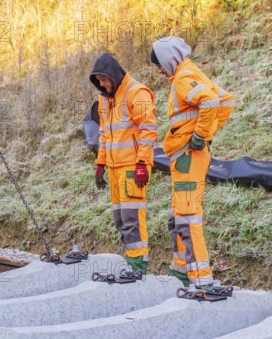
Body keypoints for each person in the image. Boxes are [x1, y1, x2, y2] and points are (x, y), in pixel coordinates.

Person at [151, 36, 236, 288]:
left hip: (188, 158)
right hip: (188, 158)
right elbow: (227, 100)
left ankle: (201, 280)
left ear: (169, 60)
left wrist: (200, 135)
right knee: (177, 214)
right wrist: (204, 134)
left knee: (187, 216)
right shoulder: (193, 72)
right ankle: (181, 269)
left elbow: (210, 102)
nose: (158, 70)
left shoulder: (183, 79)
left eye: (159, 64)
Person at [90, 53, 158, 275]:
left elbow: (148, 130)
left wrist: (142, 163)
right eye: (98, 81)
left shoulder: (136, 93)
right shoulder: (104, 98)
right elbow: (104, 133)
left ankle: (138, 266)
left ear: (113, 74)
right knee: (120, 218)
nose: (101, 84)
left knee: (132, 219)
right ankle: (131, 261)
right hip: (114, 168)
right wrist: (101, 163)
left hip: (132, 167)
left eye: (103, 79)